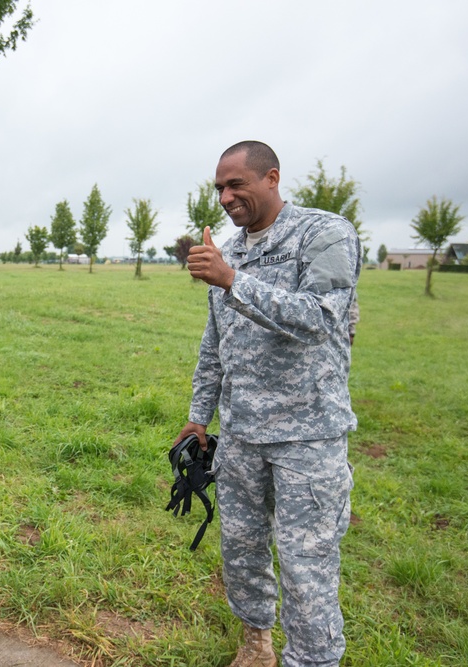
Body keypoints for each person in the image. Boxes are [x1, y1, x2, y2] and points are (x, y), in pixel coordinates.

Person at [179, 141, 360, 667]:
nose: (226, 196)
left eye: (237, 184)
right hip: (240, 438)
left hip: (308, 438)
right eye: (219, 188)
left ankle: (312, 659)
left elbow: (320, 318)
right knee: (241, 551)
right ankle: (256, 643)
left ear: (272, 178)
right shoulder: (228, 250)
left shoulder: (324, 233)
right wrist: (199, 415)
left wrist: (233, 280)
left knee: (308, 566)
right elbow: (216, 342)